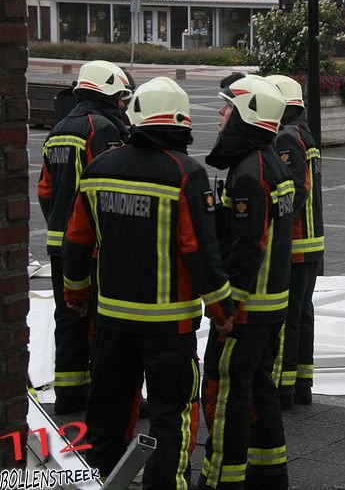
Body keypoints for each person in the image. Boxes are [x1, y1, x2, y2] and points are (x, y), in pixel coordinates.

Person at [61, 77, 235, 488]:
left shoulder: (100, 168)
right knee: (171, 413)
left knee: (108, 407)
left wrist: (76, 293)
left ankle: (101, 477)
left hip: (111, 319)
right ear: (184, 123)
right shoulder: (184, 173)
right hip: (168, 327)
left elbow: (76, 240)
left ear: (134, 116)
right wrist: (222, 310)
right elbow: (200, 252)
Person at [200, 75, 295, 490]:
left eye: (227, 108)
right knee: (259, 386)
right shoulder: (270, 162)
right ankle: (270, 471)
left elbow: (247, 247)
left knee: (225, 393)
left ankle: (222, 477)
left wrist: (227, 308)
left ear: (246, 115)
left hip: (248, 308)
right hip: (271, 304)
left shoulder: (249, 173)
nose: (221, 114)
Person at [37, 59, 131, 415]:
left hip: (59, 242)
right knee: (100, 319)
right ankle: (104, 396)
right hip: (91, 245)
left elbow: (44, 190)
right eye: (121, 98)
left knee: (68, 316)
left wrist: (57, 225)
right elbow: (108, 185)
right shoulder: (101, 128)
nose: (123, 105)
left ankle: (70, 394)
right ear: (107, 91)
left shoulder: (59, 128)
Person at [265, 74, 325, 410]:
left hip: (297, 242)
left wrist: (271, 218)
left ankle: (283, 388)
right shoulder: (303, 133)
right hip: (309, 241)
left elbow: (295, 191)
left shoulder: (286, 138)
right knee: (302, 313)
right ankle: (301, 382)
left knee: (289, 315)